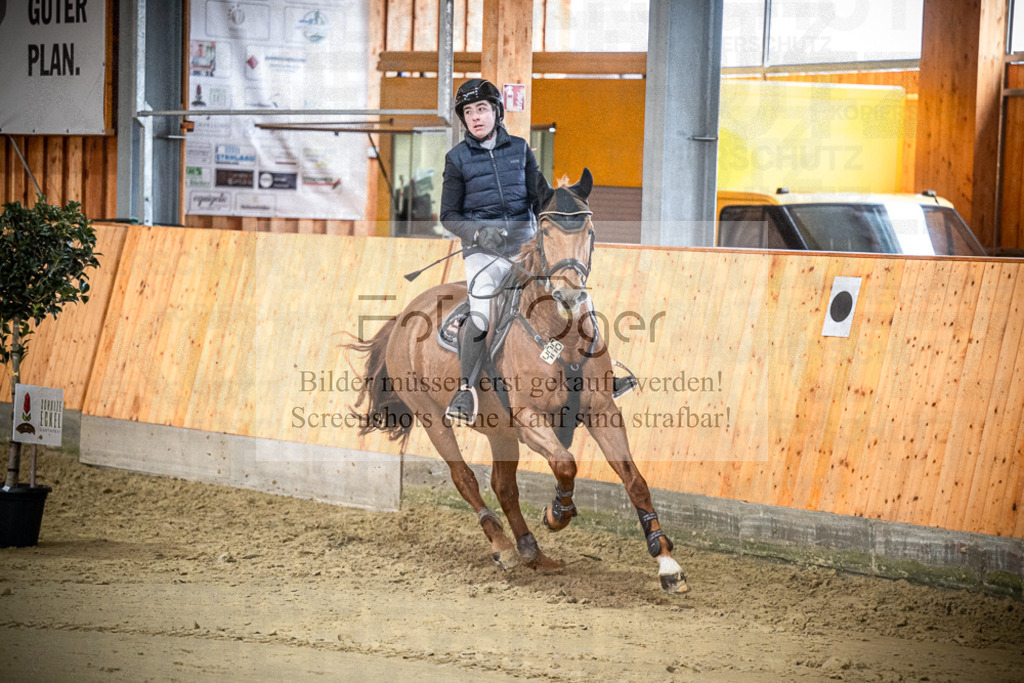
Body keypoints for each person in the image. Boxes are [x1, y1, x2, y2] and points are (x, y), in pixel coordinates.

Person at [440, 79, 541, 424]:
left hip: (524, 248)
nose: (475, 117)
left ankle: (595, 370)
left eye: (481, 109)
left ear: (496, 112)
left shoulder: (521, 149)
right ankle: (466, 391)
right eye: (468, 112)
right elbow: (448, 216)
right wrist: (480, 233)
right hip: (484, 253)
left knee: (568, 292)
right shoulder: (456, 159)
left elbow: (538, 197)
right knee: (482, 310)